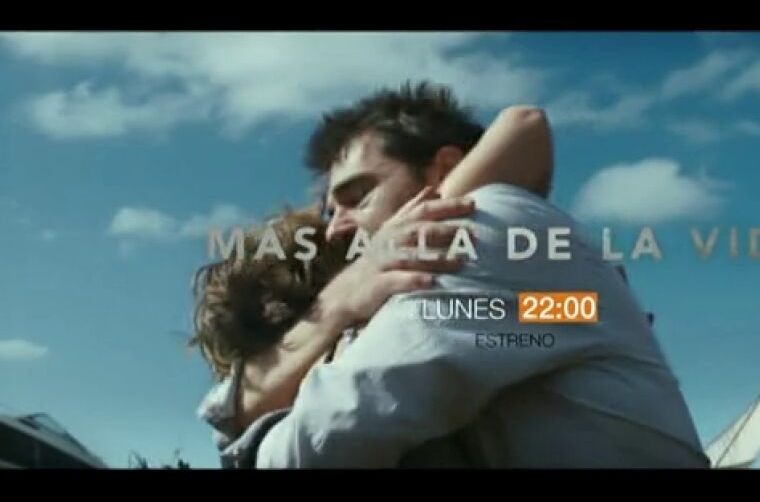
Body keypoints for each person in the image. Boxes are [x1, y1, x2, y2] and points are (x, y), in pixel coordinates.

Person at [203, 80, 709, 468]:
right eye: (331, 212)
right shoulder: (501, 276)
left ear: (445, 170)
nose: (337, 228)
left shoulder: (486, 226)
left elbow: (318, 444)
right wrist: (339, 304)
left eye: (358, 197)